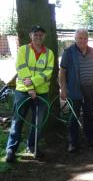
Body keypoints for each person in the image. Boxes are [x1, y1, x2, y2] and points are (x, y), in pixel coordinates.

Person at [5, 25, 54, 162]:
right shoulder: (23, 50)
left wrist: (32, 82)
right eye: (35, 34)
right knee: (18, 120)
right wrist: (30, 88)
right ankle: (11, 149)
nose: (38, 37)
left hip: (41, 92)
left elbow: (48, 73)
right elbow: (21, 68)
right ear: (31, 36)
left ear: (44, 36)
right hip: (23, 91)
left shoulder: (49, 53)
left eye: (41, 34)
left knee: (38, 122)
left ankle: (32, 146)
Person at [59, 28, 93, 153]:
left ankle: (90, 139)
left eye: (85, 38)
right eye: (80, 38)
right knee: (74, 117)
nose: (82, 40)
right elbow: (62, 71)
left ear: (87, 39)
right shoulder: (68, 52)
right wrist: (63, 88)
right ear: (75, 39)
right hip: (74, 89)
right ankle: (73, 142)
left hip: (89, 89)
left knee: (88, 115)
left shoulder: (92, 51)